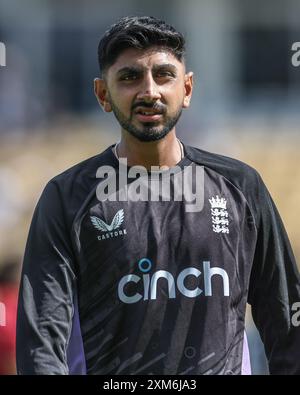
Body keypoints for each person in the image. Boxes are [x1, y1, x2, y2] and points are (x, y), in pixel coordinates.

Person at [16, 15, 300, 375]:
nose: (149, 91)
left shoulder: (241, 187)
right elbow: (41, 342)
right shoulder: (67, 198)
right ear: (103, 94)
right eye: (130, 77)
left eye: (164, 75)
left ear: (188, 89)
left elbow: (287, 324)